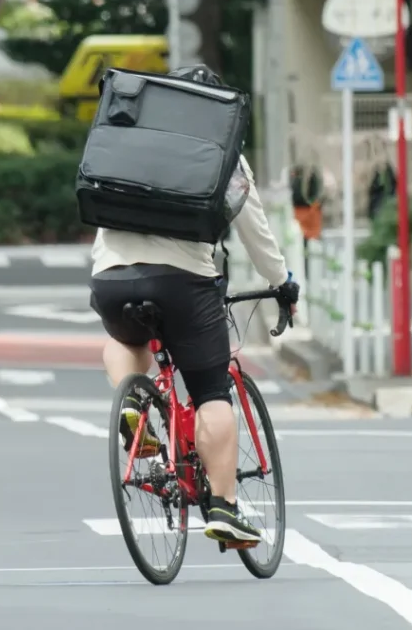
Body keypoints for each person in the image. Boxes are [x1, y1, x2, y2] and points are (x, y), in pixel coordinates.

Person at [88, 64, 300, 547]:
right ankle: (224, 507)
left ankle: (133, 400)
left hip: (111, 279)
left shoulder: (129, 136)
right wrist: (281, 282)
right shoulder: (223, 152)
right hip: (184, 283)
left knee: (124, 338)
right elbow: (255, 232)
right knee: (210, 391)